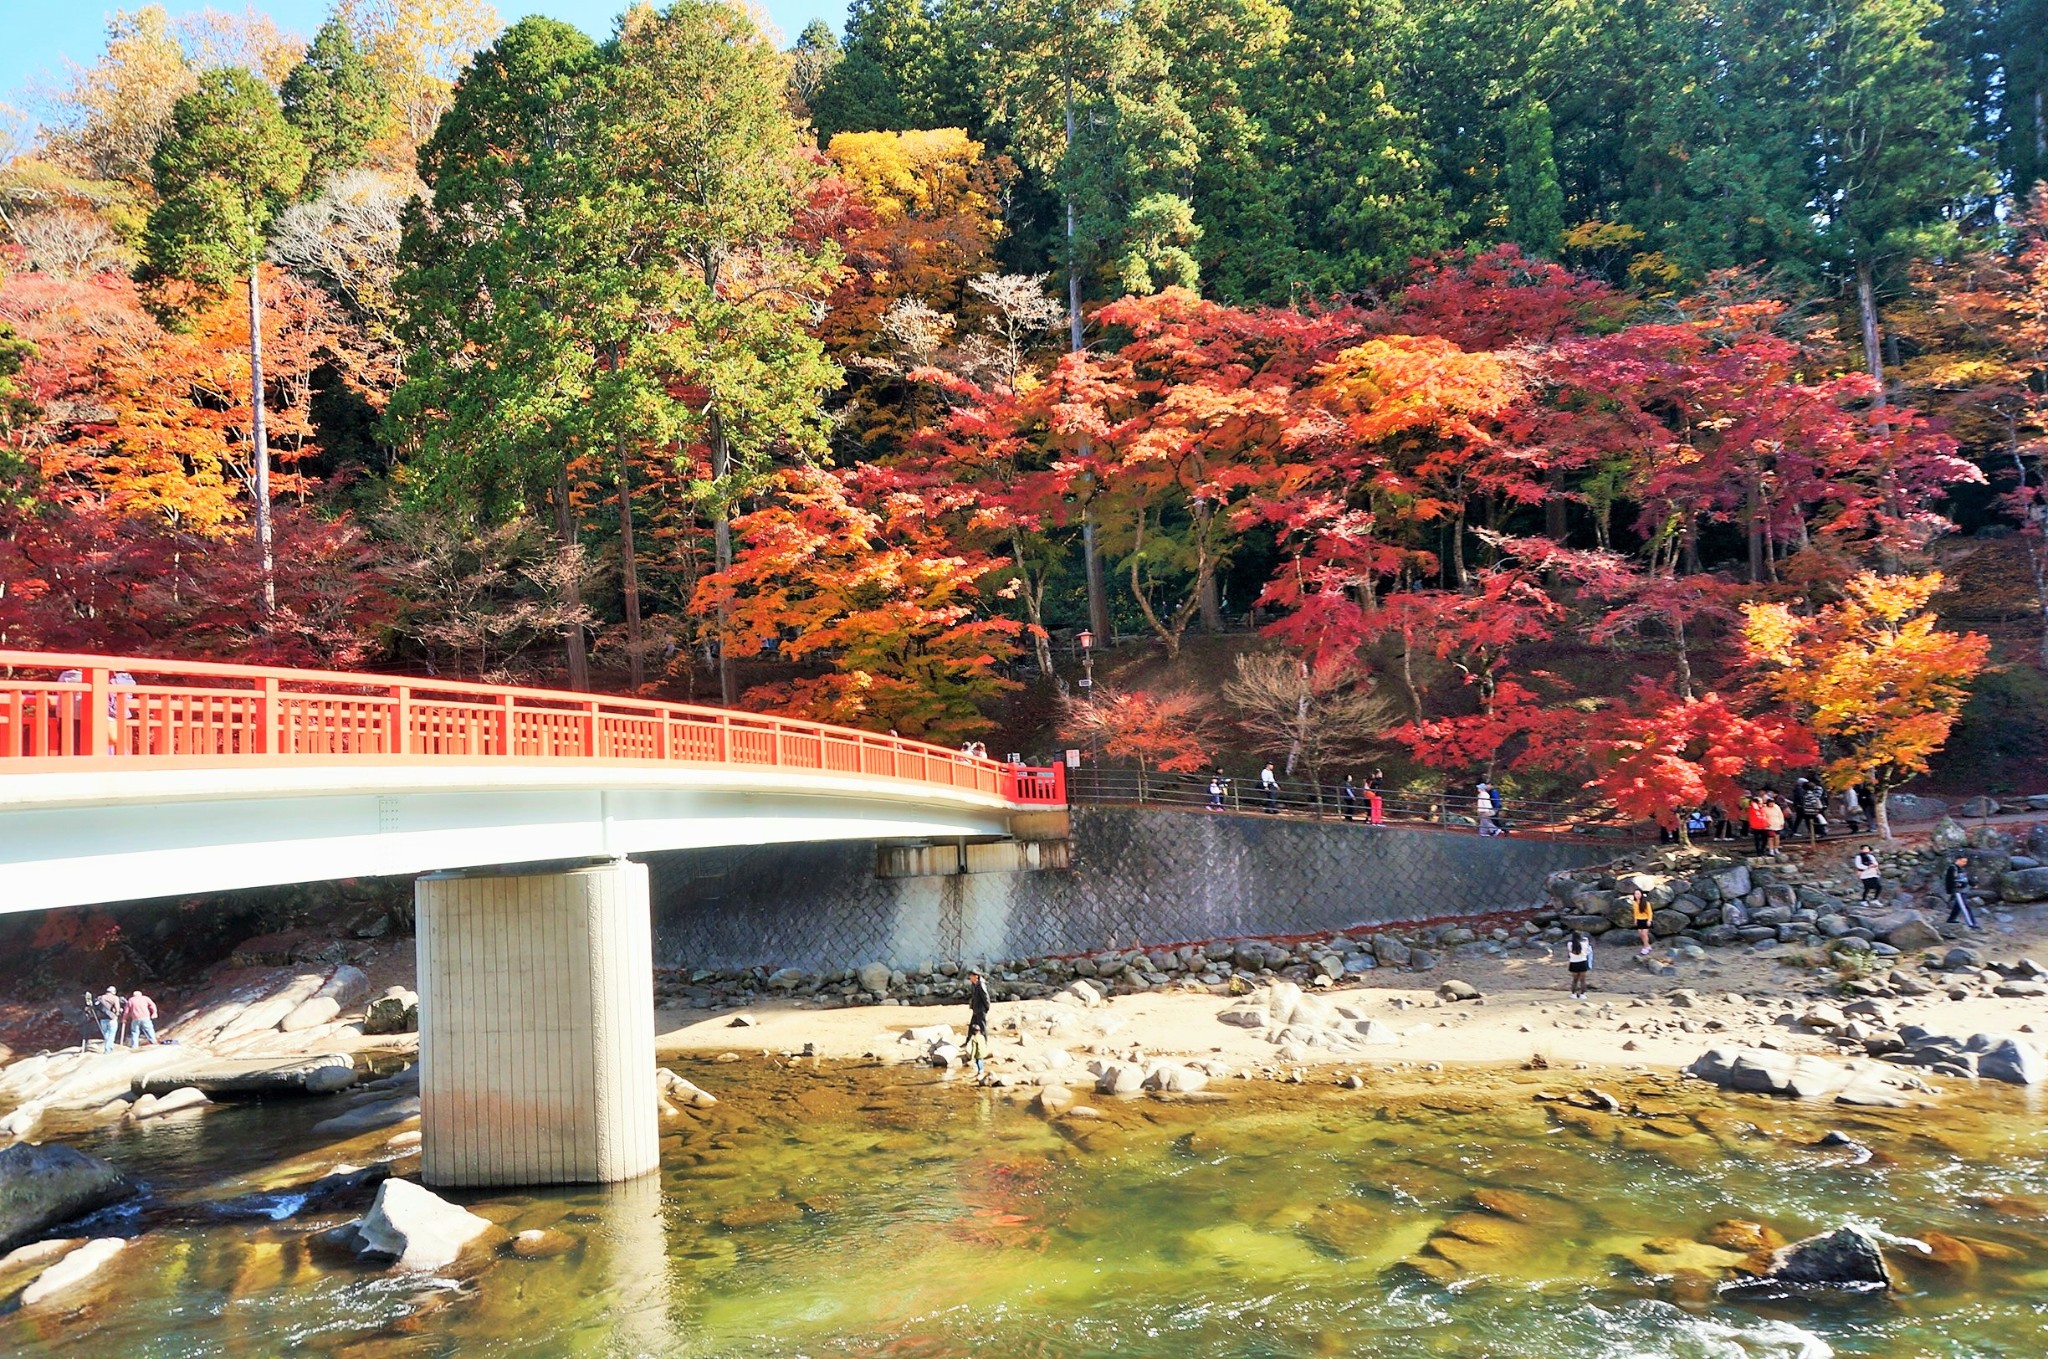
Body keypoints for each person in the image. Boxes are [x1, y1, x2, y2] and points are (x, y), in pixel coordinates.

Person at [1944, 855, 1979, 929]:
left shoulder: (1960, 869)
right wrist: (1952, 889)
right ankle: (1971, 923)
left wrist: (1972, 884)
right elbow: (1950, 880)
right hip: (1958, 891)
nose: (1965, 863)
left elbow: (1966, 878)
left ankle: (1951, 919)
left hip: (1963, 890)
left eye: (1965, 861)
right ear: (1958, 860)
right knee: (1965, 906)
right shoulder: (1952, 868)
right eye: (1963, 861)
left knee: (1958, 906)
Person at [92, 986, 121, 1053]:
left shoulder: (100, 997)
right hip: (112, 1018)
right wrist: (116, 1015)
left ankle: (108, 1048)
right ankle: (108, 1049)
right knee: (112, 1034)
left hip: (102, 1019)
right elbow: (117, 1008)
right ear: (113, 992)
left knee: (106, 1034)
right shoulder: (115, 998)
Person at [1565, 929, 1593, 997]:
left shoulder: (1569, 944)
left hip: (1574, 963)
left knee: (1575, 980)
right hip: (1583, 962)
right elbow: (1588, 950)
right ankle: (1582, 994)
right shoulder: (1584, 943)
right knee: (1582, 980)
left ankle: (1573, 994)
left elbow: (1569, 953)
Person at [965, 969, 992, 1040]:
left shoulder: (981, 985)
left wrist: (986, 1008)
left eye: (970, 976)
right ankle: (968, 1041)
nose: (969, 978)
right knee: (971, 1026)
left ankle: (984, 1042)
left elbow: (985, 997)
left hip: (981, 1009)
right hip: (976, 1009)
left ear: (975, 976)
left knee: (982, 1026)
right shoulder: (974, 985)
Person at [1629, 890, 1655, 956]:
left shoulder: (1646, 903)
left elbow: (1650, 912)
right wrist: (1635, 920)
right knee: (1641, 934)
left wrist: (1649, 920)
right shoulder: (1634, 903)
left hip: (1646, 920)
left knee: (1644, 934)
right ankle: (1648, 945)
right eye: (1635, 894)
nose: (1636, 895)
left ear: (1641, 894)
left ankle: (1645, 947)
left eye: (1638, 894)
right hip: (1639, 920)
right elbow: (1635, 912)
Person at [1746, 792, 1771, 857]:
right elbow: (1759, 816)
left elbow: (1764, 816)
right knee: (1759, 840)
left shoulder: (1761, 807)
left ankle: (1762, 851)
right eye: (1761, 801)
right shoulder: (1753, 807)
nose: (1762, 801)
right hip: (1757, 826)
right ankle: (1759, 852)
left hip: (1762, 825)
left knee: (1763, 839)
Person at [1763, 793, 1786, 857]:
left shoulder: (1777, 807)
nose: (1772, 804)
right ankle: (1771, 850)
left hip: (1777, 824)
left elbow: (1780, 815)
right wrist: (1766, 823)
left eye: (1772, 803)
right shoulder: (1764, 808)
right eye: (1770, 803)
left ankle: (1776, 848)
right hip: (1769, 826)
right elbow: (1764, 817)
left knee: (1777, 837)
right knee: (1770, 838)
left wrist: (1782, 822)